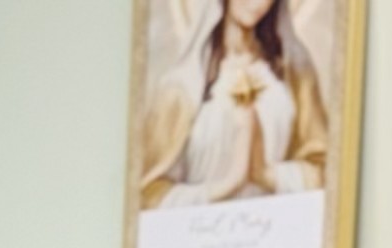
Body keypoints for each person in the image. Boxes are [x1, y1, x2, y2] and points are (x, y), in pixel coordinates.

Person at [141, 0, 329, 208]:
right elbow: (148, 196)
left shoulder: (295, 75)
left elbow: (326, 172)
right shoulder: (182, 86)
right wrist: (223, 187)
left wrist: (266, 175)